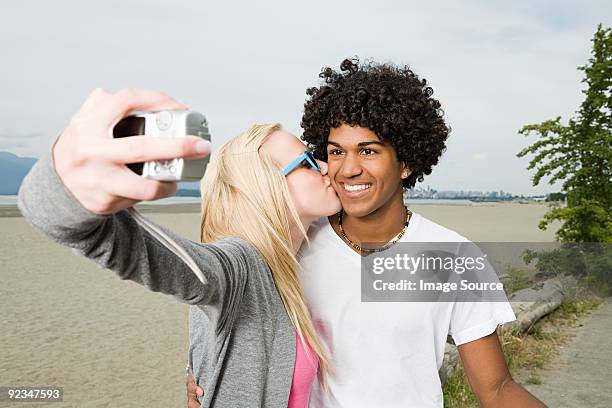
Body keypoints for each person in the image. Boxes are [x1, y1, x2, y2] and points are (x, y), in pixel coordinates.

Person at [186, 58, 547, 407]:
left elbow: (498, 389)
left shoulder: (455, 257)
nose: (348, 169)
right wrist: (200, 373)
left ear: (406, 162)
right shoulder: (290, 248)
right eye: (335, 152)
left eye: (368, 150)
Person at [17, 88, 343, 407]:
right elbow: (112, 243)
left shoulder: (312, 250)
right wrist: (65, 183)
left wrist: (199, 364)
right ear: (268, 187)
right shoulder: (239, 267)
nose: (325, 166)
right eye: (306, 162)